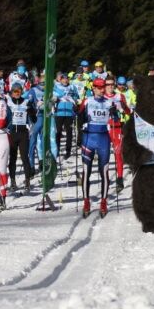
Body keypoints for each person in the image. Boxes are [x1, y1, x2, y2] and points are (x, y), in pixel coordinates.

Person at [77, 77, 113, 217]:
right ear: (93, 88)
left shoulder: (109, 102)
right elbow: (78, 116)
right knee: (86, 171)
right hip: (88, 138)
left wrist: (115, 113)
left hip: (103, 138)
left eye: (103, 87)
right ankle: (86, 201)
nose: (101, 89)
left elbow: (118, 115)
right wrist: (80, 127)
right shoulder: (87, 101)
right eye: (98, 87)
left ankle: (103, 201)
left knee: (104, 172)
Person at [6, 82, 36, 190]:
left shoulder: (26, 102)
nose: (17, 93)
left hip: (23, 133)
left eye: (19, 91)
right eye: (15, 91)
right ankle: (13, 181)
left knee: (25, 158)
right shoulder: (8, 103)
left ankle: (27, 181)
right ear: (12, 93)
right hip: (12, 133)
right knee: (12, 158)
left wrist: (31, 111)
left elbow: (34, 119)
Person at [105, 76, 132, 189]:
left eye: (112, 84)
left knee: (118, 154)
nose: (110, 86)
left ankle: (119, 179)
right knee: (104, 155)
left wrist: (123, 106)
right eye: (108, 84)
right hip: (104, 128)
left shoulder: (119, 96)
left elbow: (128, 112)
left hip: (117, 127)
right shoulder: (101, 96)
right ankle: (105, 178)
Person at [54, 72, 79, 160]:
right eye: (63, 79)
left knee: (69, 133)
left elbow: (77, 97)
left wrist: (75, 103)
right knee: (58, 132)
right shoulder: (56, 87)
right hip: (59, 113)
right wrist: (54, 99)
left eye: (66, 78)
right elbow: (52, 97)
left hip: (69, 113)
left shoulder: (72, 87)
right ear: (60, 80)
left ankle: (68, 151)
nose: (65, 80)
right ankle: (56, 150)